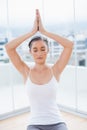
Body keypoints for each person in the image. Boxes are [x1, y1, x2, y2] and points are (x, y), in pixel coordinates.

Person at [5, 9, 73, 130]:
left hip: (57, 122)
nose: (39, 53)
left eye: (43, 48)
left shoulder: (55, 70)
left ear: (48, 50)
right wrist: (32, 32)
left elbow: (69, 45)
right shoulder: (26, 71)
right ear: (30, 52)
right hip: (35, 124)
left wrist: (44, 32)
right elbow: (9, 48)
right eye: (35, 50)